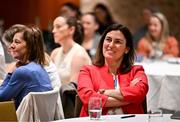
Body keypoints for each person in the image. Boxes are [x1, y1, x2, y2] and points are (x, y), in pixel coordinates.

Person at [78, 24, 149, 116]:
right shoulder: (87, 71)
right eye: (108, 40)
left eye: (118, 42)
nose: (111, 45)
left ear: (126, 49)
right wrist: (129, 99)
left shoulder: (136, 71)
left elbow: (139, 92)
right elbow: (89, 98)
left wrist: (105, 93)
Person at [0, 25, 53, 109]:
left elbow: (1, 98)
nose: (11, 46)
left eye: (17, 42)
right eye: (12, 42)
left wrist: (10, 73)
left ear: (30, 47)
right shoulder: (39, 66)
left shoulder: (22, 71)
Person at [2, 24, 61, 89]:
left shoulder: (28, 66)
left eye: (15, 42)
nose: (10, 49)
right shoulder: (41, 56)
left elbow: (6, 92)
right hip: (52, 97)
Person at [51, 16, 91, 85]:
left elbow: (72, 90)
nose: (53, 31)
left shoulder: (79, 55)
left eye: (58, 26)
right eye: (53, 27)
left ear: (71, 30)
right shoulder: (55, 53)